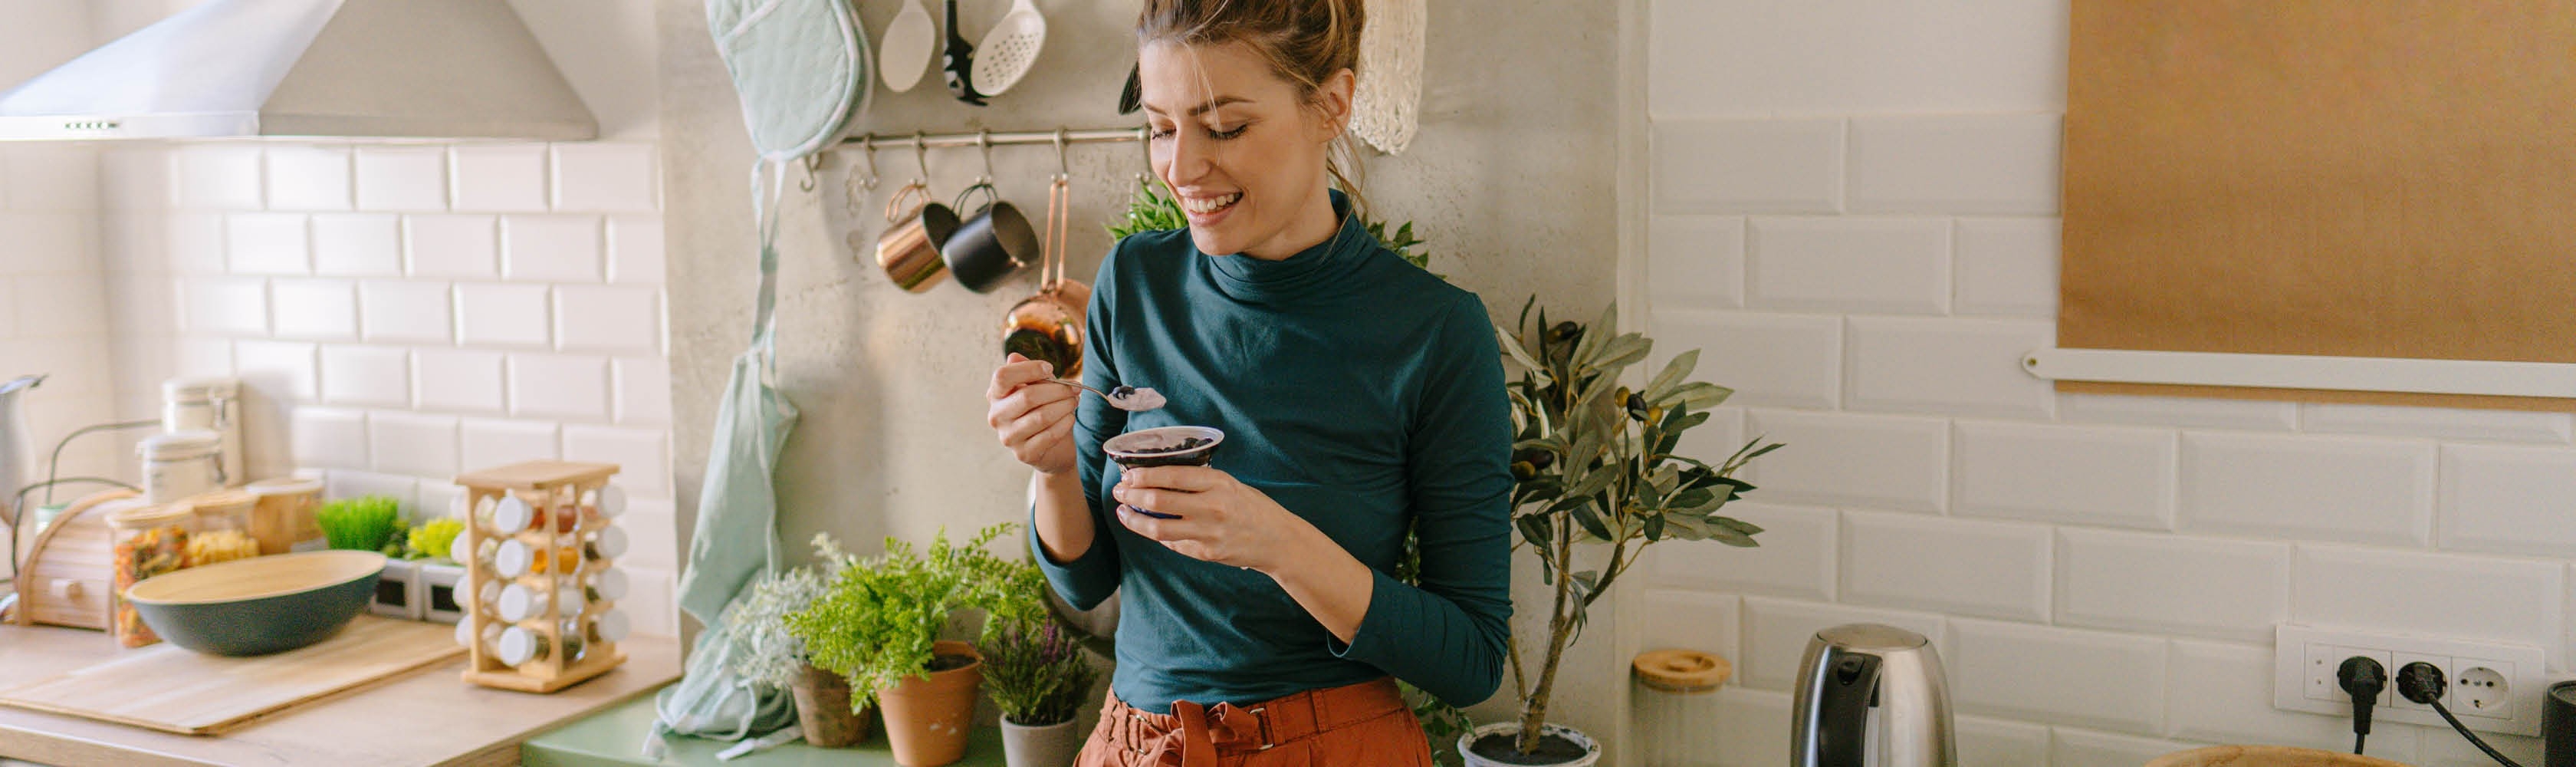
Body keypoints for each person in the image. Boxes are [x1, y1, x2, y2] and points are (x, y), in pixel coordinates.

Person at [983, 0, 1513, 763]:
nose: (1182, 168)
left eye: (1224, 128)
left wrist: (1276, 544)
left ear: (1331, 104)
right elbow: (1087, 583)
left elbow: (1471, 659)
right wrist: (1055, 466)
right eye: (1162, 127)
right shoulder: (1135, 283)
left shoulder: (1433, 333)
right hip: (1134, 744)